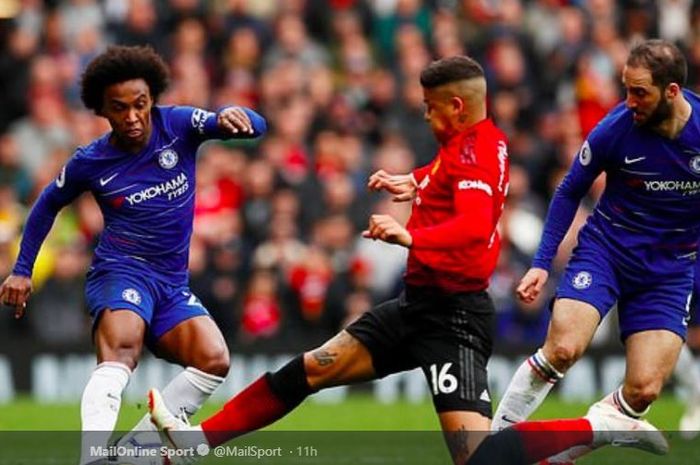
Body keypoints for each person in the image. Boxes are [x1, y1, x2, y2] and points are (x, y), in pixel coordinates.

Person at [147, 54, 509, 465]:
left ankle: (586, 433)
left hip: (453, 319)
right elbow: (447, 173)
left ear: (456, 107)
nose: (425, 114)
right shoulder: (481, 140)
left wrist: (409, 235)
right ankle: (195, 444)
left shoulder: (472, 155)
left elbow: (475, 226)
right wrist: (414, 180)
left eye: (430, 106)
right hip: (416, 307)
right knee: (310, 369)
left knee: (479, 459)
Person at [0, 45, 267, 465]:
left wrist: (238, 116)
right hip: (121, 272)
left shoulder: (178, 125)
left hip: (172, 282)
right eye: (119, 108)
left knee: (213, 359)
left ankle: (128, 458)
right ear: (102, 111)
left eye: (140, 104)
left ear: (152, 99)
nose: (132, 117)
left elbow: (254, 126)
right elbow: (46, 205)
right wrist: (22, 269)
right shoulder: (91, 161)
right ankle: (91, 458)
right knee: (123, 352)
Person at [492, 38, 700, 462]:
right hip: (607, 252)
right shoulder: (616, 128)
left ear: (672, 92)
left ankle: (563, 453)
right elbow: (570, 190)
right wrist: (540, 264)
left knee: (643, 391)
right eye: (626, 87)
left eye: (640, 91)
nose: (629, 100)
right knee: (563, 348)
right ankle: (491, 449)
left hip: (670, 270)